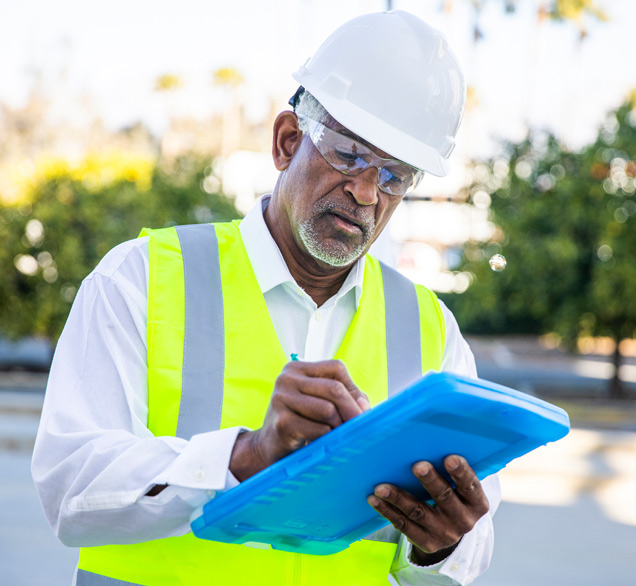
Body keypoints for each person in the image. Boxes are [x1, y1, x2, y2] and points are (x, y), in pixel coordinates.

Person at [32, 10, 500, 586]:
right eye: (349, 154)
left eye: (395, 176)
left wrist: (440, 546)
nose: (365, 192)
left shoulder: (430, 330)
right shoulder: (140, 278)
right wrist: (244, 458)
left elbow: (468, 556)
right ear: (287, 141)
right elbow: (69, 486)